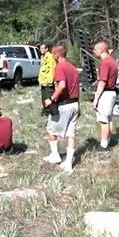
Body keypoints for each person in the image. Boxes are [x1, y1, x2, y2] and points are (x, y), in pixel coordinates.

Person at [42, 44, 80, 173]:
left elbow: (62, 85)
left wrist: (51, 99)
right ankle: (68, 163)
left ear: (56, 55)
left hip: (64, 104)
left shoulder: (59, 67)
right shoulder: (73, 68)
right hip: (75, 104)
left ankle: (55, 155)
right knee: (71, 134)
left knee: (51, 130)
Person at [92, 41, 118, 150]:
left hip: (106, 94)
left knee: (103, 120)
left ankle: (103, 146)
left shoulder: (105, 63)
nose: (94, 52)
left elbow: (102, 82)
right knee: (109, 119)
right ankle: (108, 141)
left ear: (101, 50)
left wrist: (96, 98)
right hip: (112, 92)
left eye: (95, 49)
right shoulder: (113, 61)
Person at [38, 44, 57, 115]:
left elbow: (52, 68)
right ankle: (46, 111)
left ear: (46, 49)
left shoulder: (50, 57)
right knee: (43, 98)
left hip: (48, 82)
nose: (41, 50)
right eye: (40, 48)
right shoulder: (42, 57)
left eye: (43, 48)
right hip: (43, 82)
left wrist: (51, 80)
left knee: (49, 98)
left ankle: (53, 113)